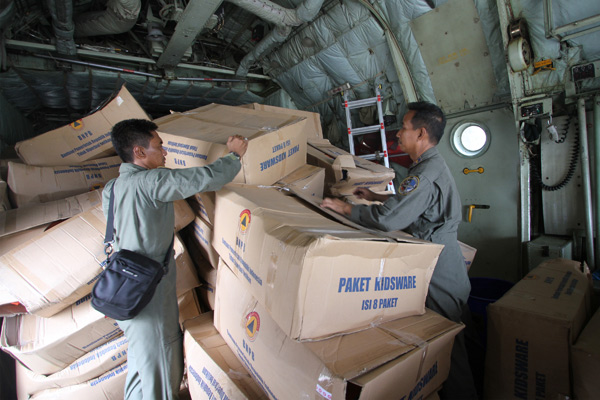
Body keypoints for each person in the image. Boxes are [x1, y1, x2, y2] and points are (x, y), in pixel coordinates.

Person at [321, 101, 477, 400]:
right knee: (454, 337)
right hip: (443, 259)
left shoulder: (425, 174)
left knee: (448, 346)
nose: (397, 137)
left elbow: (388, 219)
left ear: (420, 133)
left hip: (440, 268)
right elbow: (414, 208)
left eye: (403, 129)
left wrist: (346, 208)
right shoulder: (428, 166)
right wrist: (375, 194)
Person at [103, 118, 247, 399]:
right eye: (159, 146)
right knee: (161, 373)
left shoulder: (113, 188)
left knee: (141, 368)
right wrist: (235, 155)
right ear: (139, 152)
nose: (165, 152)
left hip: (124, 293)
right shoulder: (151, 182)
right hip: (150, 300)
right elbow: (204, 178)